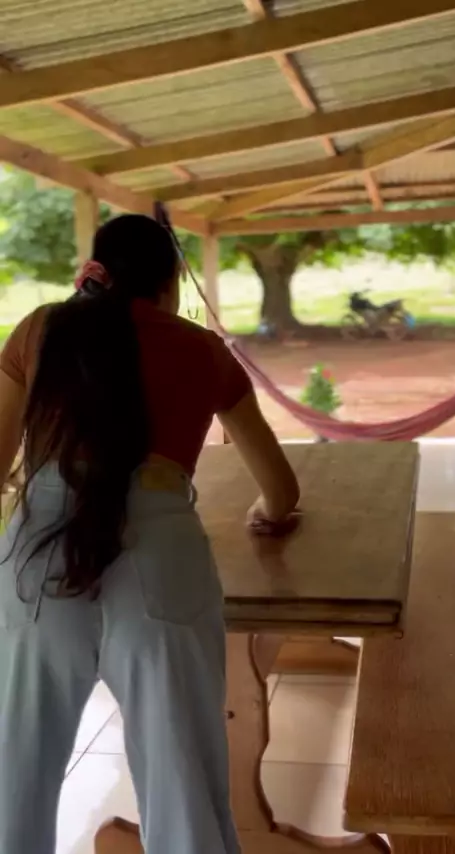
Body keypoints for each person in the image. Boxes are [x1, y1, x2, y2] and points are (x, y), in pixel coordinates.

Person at [0, 213, 300, 854]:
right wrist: (267, 511)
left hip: (39, 556)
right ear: (170, 284)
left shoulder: (41, 331)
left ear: (97, 272)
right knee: (181, 780)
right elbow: (281, 489)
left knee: (13, 771)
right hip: (161, 559)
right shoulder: (202, 350)